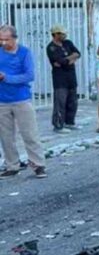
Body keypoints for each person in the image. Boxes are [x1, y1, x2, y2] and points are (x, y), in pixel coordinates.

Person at [0, 25, 47, 179]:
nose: (3, 42)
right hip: (2, 101)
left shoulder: (24, 53)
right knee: (6, 136)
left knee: (29, 133)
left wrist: (6, 78)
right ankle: (12, 165)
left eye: (7, 39)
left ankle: (38, 165)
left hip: (21, 99)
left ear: (14, 38)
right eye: (1, 39)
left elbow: (29, 75)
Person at [46, 25, 80, 133]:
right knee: (60, 102)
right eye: (62, 34)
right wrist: (70, 58)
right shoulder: (51, 47)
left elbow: (78, 53)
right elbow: (60, 62)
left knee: (72, 101)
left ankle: (69, 122)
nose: (64, 35)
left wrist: (69, 59)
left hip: (71, 76)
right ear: (56, 34)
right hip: (60, 78)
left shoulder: (68, 43)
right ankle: (58, 125)